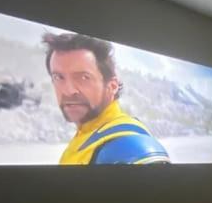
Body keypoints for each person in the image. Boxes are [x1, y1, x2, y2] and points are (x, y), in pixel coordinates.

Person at [45, 32, 170, 165]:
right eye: (58, 77)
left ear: (112, 86)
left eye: (84, 77)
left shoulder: (129, 147)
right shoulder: (85, 139)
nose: (68, 90)